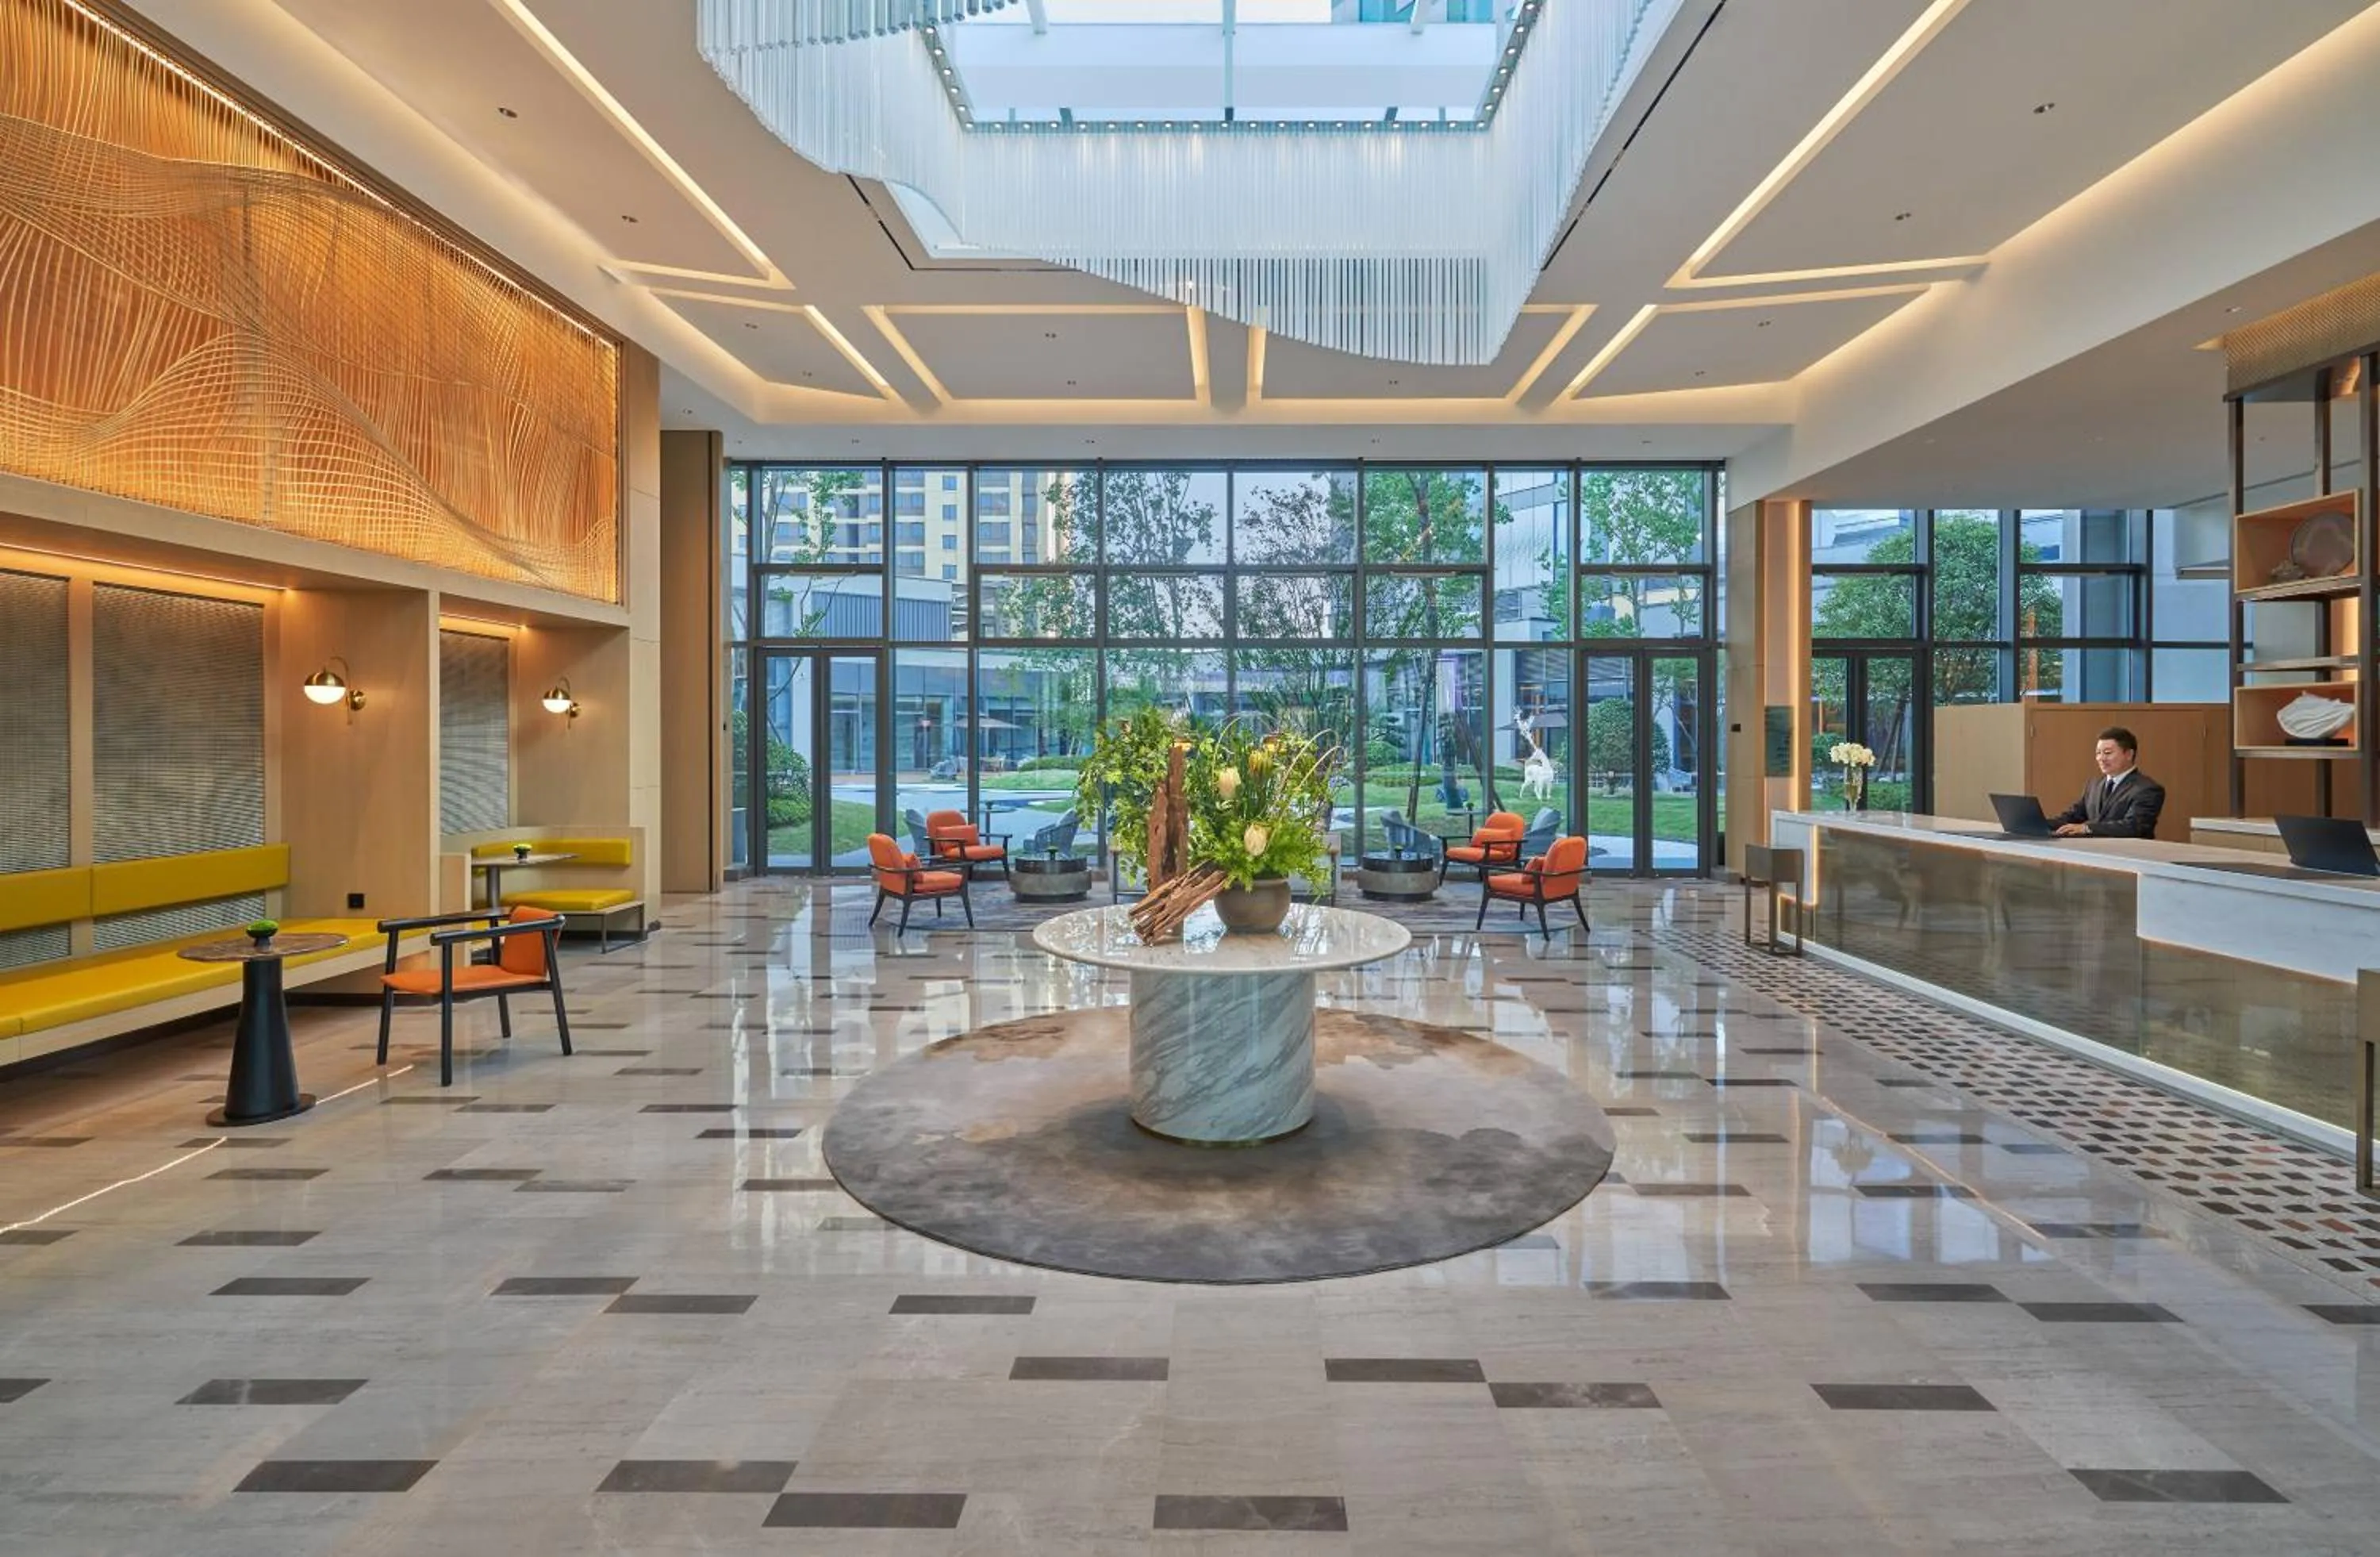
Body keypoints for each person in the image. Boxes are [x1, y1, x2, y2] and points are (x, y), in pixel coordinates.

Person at [2051, 726, 2164, 838]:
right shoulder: (2093, 785)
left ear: (2129, 754)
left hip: (2126, 849)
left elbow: (2133, 826)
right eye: (2098, 753)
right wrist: (2044, 824)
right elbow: (2073, 816)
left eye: (2107, 753)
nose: (2101, 758)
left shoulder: (2147, 789)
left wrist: (2087, 828)